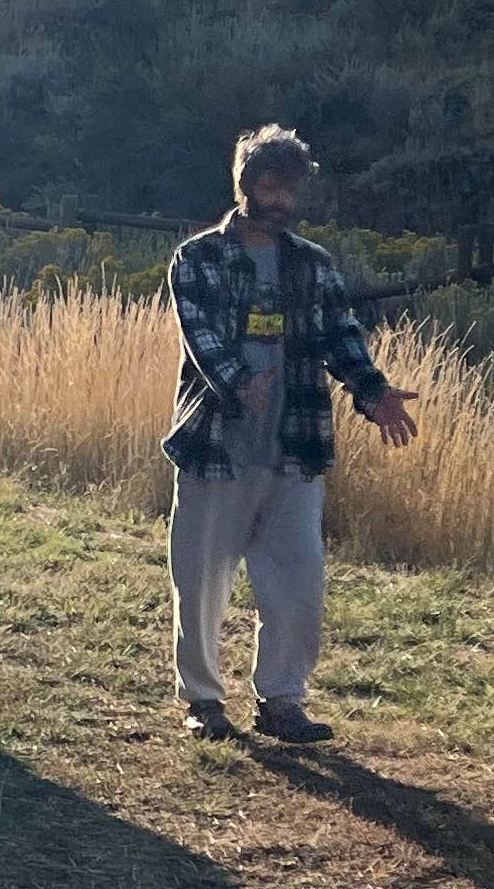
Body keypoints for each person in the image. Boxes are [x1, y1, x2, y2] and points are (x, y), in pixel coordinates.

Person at [164, 125, 416, 743]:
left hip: (295, 448)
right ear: (243, 184)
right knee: (200, 585)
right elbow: (201, 337)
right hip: (215, 448)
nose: (277, 200)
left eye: (287, 190)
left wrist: (374, 392)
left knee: (299, 588)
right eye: (267, 186)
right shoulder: (197, 258)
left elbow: (342, 338)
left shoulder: (313, 265)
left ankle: (282, 703)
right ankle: (203, 702)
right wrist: (236, 380)